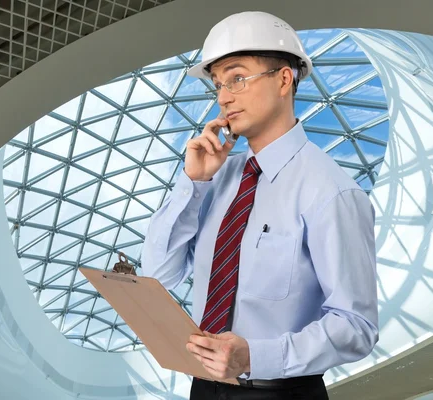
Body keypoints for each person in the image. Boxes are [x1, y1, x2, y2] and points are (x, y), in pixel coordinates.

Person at [140, 11, 379, 400]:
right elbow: (159, 274)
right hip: (203, 387)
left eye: (237, 78)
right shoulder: (217, 177)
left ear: (284, 79)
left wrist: (255, 356)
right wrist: (193, 183)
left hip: (281, 391)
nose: (222, 97)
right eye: (217, 85)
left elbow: (356, 326)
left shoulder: (330, 191)